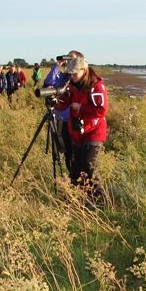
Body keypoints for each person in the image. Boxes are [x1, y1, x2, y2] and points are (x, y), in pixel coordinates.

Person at [57, 56, 108, 206]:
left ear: (83, 70)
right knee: (76, 168)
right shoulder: (72, 85)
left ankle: (99, 202)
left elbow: (102, 110)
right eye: (70, 74)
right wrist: (55, 101)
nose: (72, 77)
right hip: (77, 131)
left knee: (89, 167)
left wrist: (81, 108)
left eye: (74, 74)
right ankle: (78, 200)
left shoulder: (96, 86)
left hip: (94, 131)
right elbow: (65, 103)